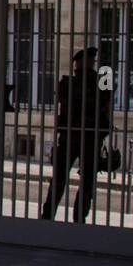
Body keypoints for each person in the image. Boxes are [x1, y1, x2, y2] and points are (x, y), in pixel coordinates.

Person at [40, 47, 112, 222]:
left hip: (70, 137)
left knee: (59, 180)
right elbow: (106, 107)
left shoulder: (67, 83)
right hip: (89, 138)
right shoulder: (101, 80)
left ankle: (48, 216)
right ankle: (79, 219)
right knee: (86, 182)